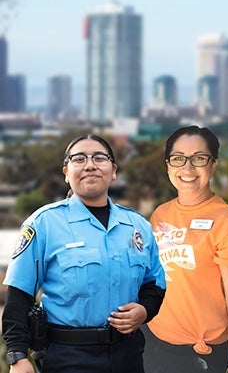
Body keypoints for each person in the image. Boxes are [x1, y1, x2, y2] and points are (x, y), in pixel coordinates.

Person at [2, 134, 166, 373]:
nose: (90, 165)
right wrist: (17, 356)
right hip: (68, 356)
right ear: (66, 172)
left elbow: (155, 284)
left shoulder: (137, 226)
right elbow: (19, 295)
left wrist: (145, 310)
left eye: (99, 158)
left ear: (114, 171)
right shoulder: (44, 223)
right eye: (79, 159)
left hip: (128, 354)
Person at [142, 126, 228, 373]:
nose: (188, 168)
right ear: (168, 165)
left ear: (213, 164)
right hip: (156, 343)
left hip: (200, 355)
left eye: (199, 158)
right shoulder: (161, 214)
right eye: (179, 158)